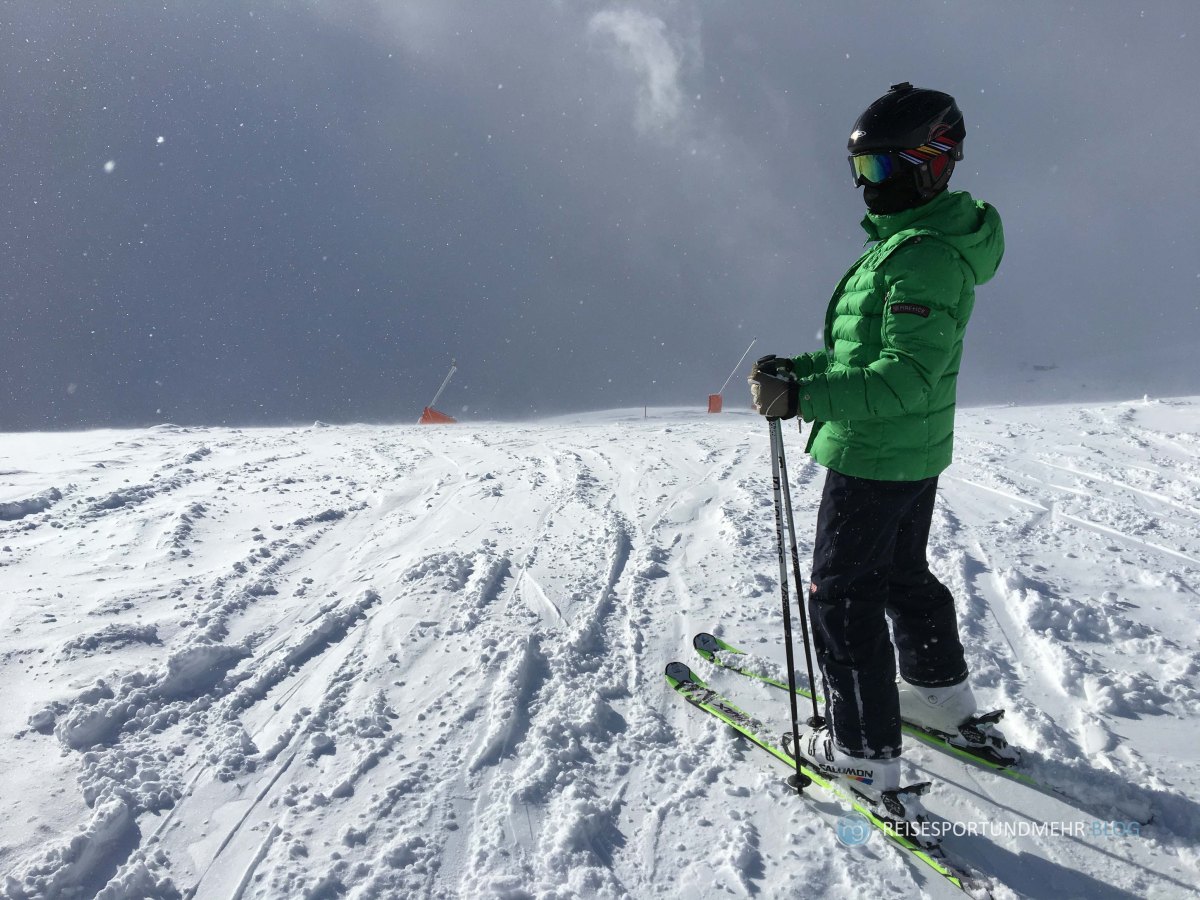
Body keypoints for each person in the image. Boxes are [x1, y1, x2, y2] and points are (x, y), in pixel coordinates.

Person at [748, 82, 1013, 814]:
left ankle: (863, 755)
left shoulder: (921, 258)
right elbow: (870, 354)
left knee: (841, 598)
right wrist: (801, 373)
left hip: (877, 453)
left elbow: (904, 378)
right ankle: (940, 701)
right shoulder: (914, 244)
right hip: (905, 451)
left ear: (932, 163)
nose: (870, 189)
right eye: (861, 173)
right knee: (899, 575)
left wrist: (807, 399)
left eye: (882, 171)